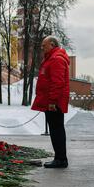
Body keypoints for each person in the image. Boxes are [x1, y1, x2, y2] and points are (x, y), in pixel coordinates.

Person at [31, 36, 70, 168]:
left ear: (52, 45)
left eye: (44, 45)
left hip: (54, 102)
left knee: (56, 129)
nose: (42, 48)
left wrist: (52, 102)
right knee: (55, 129)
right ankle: (59, 157)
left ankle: (61, 159)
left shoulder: (56, 59)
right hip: (51, 101)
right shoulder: (52, 58)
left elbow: (57, 83)